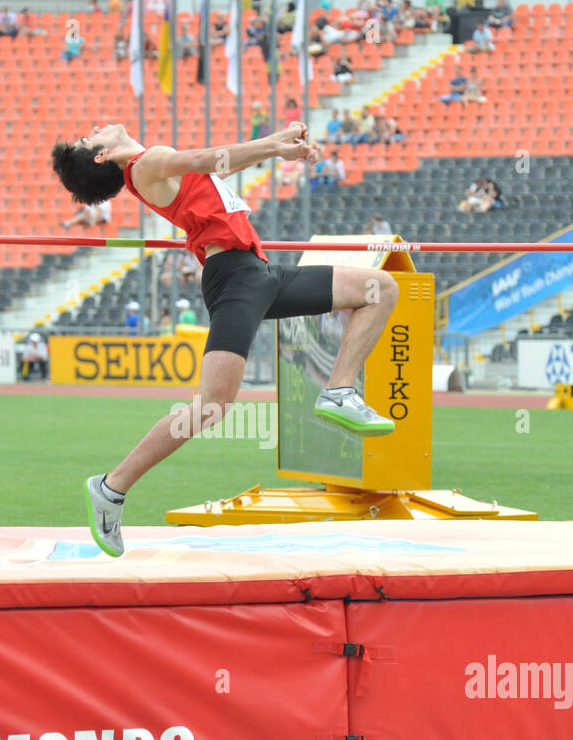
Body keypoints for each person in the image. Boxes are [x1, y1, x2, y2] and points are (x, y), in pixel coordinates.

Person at [51, 121, 400, 555]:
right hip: (235, 280)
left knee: (380, 288)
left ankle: (339, 390)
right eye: (89, 139)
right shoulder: (145, 164)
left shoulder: (154, 166)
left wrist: (275, 148)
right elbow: (208, 158)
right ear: (102, 156)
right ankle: (111, 488)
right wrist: (274, 146)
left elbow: (218, 168)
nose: (95, 129)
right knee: (212, 405)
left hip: (259, 272)